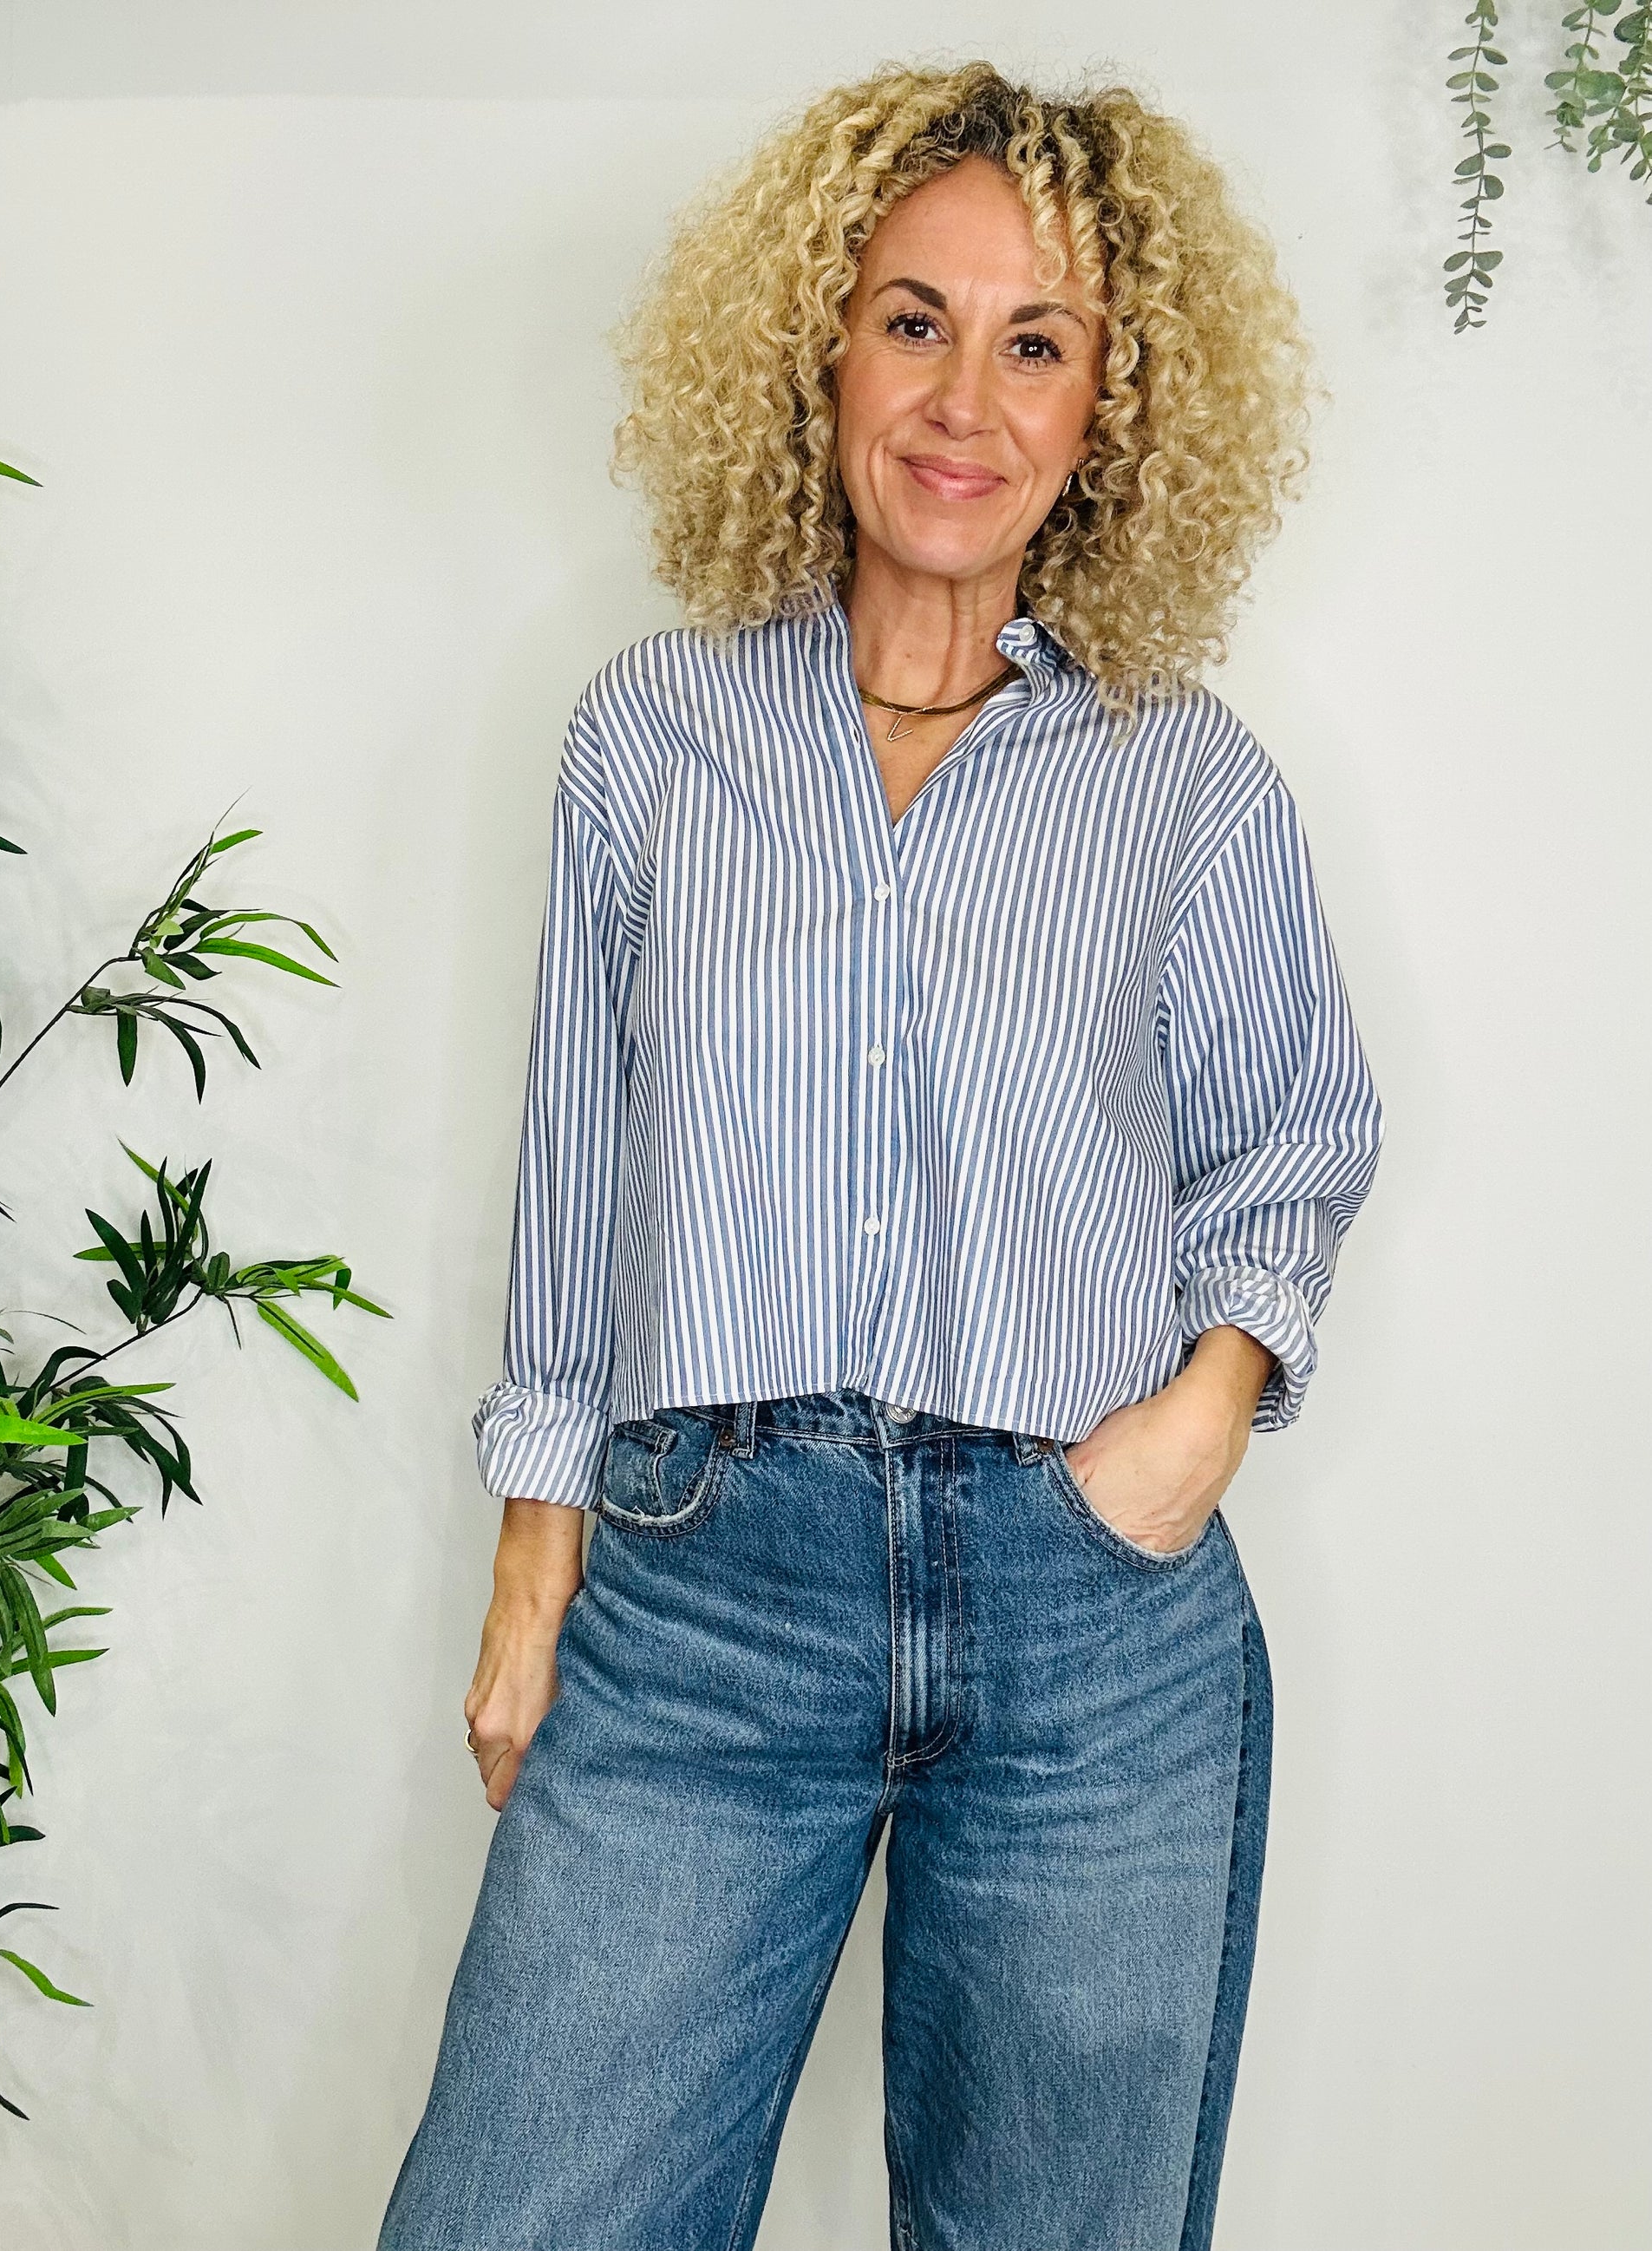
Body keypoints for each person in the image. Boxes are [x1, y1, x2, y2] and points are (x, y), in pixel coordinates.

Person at [377, 60, 1382, 2251]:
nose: (962, 400)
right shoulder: (655, 735)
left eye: (1037, 344)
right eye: (914, 320)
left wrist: (1197, 1419)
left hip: (1088, 1618)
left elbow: (1296, 1128)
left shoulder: (1183, 777)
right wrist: (535, 1563)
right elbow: (578, 1163)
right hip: (702, 1593)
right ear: (819, 344)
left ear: (1109, 410)